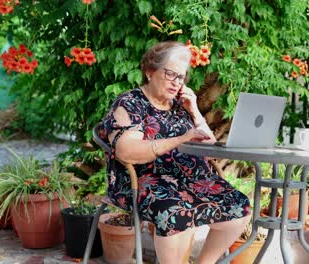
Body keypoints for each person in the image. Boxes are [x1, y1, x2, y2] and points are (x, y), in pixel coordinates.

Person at [100, 41, 251, 264]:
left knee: (240, 206)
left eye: (181, 77)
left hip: (192, 180)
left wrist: (195, 111)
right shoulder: (131, 103)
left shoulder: (181, 106)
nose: (177, 82)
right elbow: (127, 152)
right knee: (174, 211)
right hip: (146, 181)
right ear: (150, 71)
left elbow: (210, 150)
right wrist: (180, 138)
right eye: (171, 74)